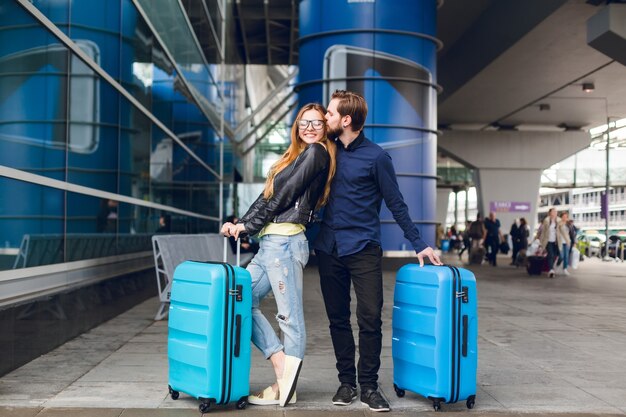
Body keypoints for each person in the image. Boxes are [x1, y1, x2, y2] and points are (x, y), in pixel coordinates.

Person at [313, 90, 441, 412]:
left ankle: (369, 385)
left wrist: (418, 243)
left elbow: (396, 203)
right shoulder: (324, 153)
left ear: (346, 119)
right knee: (337, 318)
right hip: (329, 248)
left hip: (364, 248)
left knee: (370, 317)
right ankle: (347, 382)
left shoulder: (377, 157)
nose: (324, 118)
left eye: (329, 113)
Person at [221, 103, 336, 407]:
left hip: (285, 244)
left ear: (325, 128)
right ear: (296, 127)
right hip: (269, 244)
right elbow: (268, 196)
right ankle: (282, 365)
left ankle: (286, 384)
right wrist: (240, 224)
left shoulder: (317, 153)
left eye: (317, 123)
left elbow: (286, 197)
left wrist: (249, 225)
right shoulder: (294, 157)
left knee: (290, 317)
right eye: (303, 123)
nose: (309, 128)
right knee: (240, 299)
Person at [539, 208, 567, 278]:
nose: (555, 213)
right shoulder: (546, 220)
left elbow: (563, 231)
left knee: (560, 256)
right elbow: (543, 232)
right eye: (553, 211)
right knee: (550, 255)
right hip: (548, 241)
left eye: (556, 212)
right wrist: (541, 242)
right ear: (550, 213)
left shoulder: (559, 220)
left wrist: (567, 240)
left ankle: (555, 265)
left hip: (557, 241)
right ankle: (551, 270)